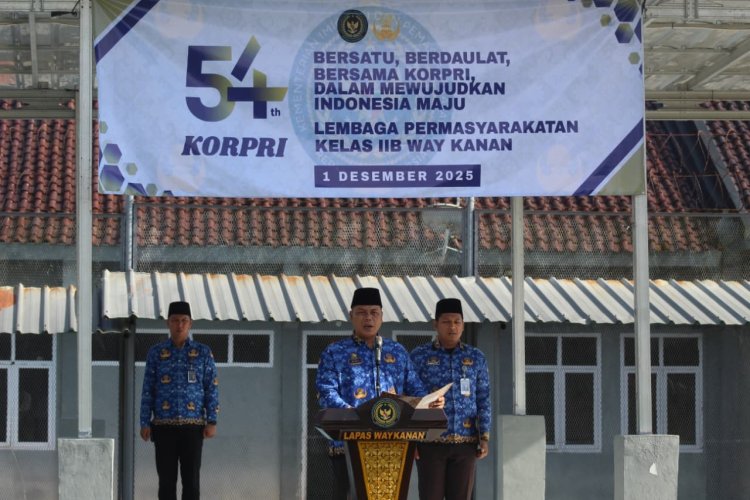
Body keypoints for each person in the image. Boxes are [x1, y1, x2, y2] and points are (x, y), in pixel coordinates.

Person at [316, 287, 433, 500]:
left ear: (382, 316)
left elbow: (415, 388)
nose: (368, 318)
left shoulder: (397, 351)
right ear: (351, 316)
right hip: (349, 444)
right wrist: (354, 416)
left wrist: (428, 402)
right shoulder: (335, 352)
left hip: (394, 444)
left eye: (374, 312)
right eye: (361, 312)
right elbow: (326, 391)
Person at [410, 298, 491, 500]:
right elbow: (409, 396)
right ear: (436, 324)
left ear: (463, 325)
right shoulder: (419, 356)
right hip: (429, 442)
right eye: (446, 321)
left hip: (465, 442)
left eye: (457, 322)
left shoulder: (476, 357)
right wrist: (410, 439)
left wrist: (484, 437)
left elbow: (483, 398)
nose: (452, 327)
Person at [140, 301, 219, 500]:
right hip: (163, 427)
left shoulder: (202, 353)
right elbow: (148, 389)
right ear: (168, 323)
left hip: (193, 427)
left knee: (191, 481)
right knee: (166, 482)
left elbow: (211, 387)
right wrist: (144, 422)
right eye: (175, 320)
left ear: (190, 324)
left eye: (184, 320)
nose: (180, 325)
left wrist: (212, 421)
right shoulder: (156, 353)